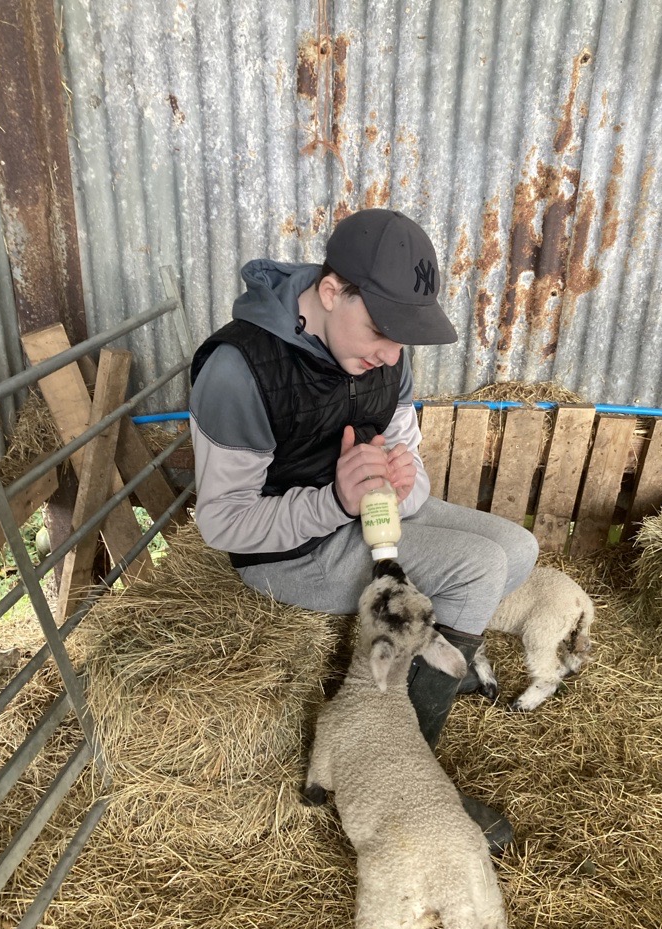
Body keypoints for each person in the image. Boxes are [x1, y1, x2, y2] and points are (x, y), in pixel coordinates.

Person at [189, 208, 538, 854]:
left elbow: (408, 454)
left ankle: (429, 667)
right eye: (380, 330)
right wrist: (334, 500)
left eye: (402, 337)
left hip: (364, 509)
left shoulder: (385, 355)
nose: (390, 356)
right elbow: (222, 521)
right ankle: (401, 778)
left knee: (519, 549)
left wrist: (407, 484)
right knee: (479, 570)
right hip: (289, 550)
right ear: (330, 292)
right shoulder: (239, 369)